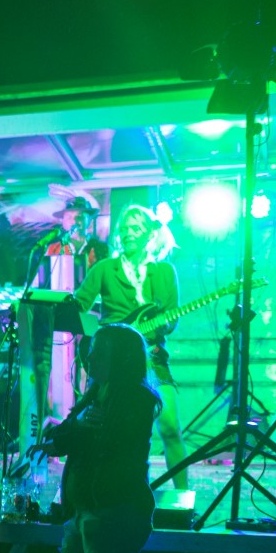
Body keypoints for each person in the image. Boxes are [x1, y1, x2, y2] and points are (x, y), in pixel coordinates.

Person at [36, 322, 162, 553]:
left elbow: (114, 447)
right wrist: (73, 427)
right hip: (82, 514)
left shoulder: (138, 399)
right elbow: (58, 440)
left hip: (115, 515)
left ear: (121, 358)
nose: (89, 358)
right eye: (90, 351)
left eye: (99, 352)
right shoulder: (93, 394)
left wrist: (79, 432)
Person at [72, 204, 188, 491]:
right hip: (111, 361)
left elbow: (171, 321)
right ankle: (109, 493)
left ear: (150, 233)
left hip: (152, 358)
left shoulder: (164, 271)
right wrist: (95, 340)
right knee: (105, 429)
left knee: (170, 427)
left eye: (135, 228)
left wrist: (158, 325)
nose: (128, 233)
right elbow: (78, 308)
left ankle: (184, 497)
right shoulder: (104, 269)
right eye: (124, 229)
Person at [20, 196, 101, 439]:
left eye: (81, 216)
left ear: (88, 221)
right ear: (63, 222)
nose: (76, 220)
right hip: (56, 323)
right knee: (52, 372)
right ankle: (51, 427)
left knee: (86, 368)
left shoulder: (99, 250)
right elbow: (39, 285)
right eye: (71, 216)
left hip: (88, 320)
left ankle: (84, 424)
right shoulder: (52, 249)